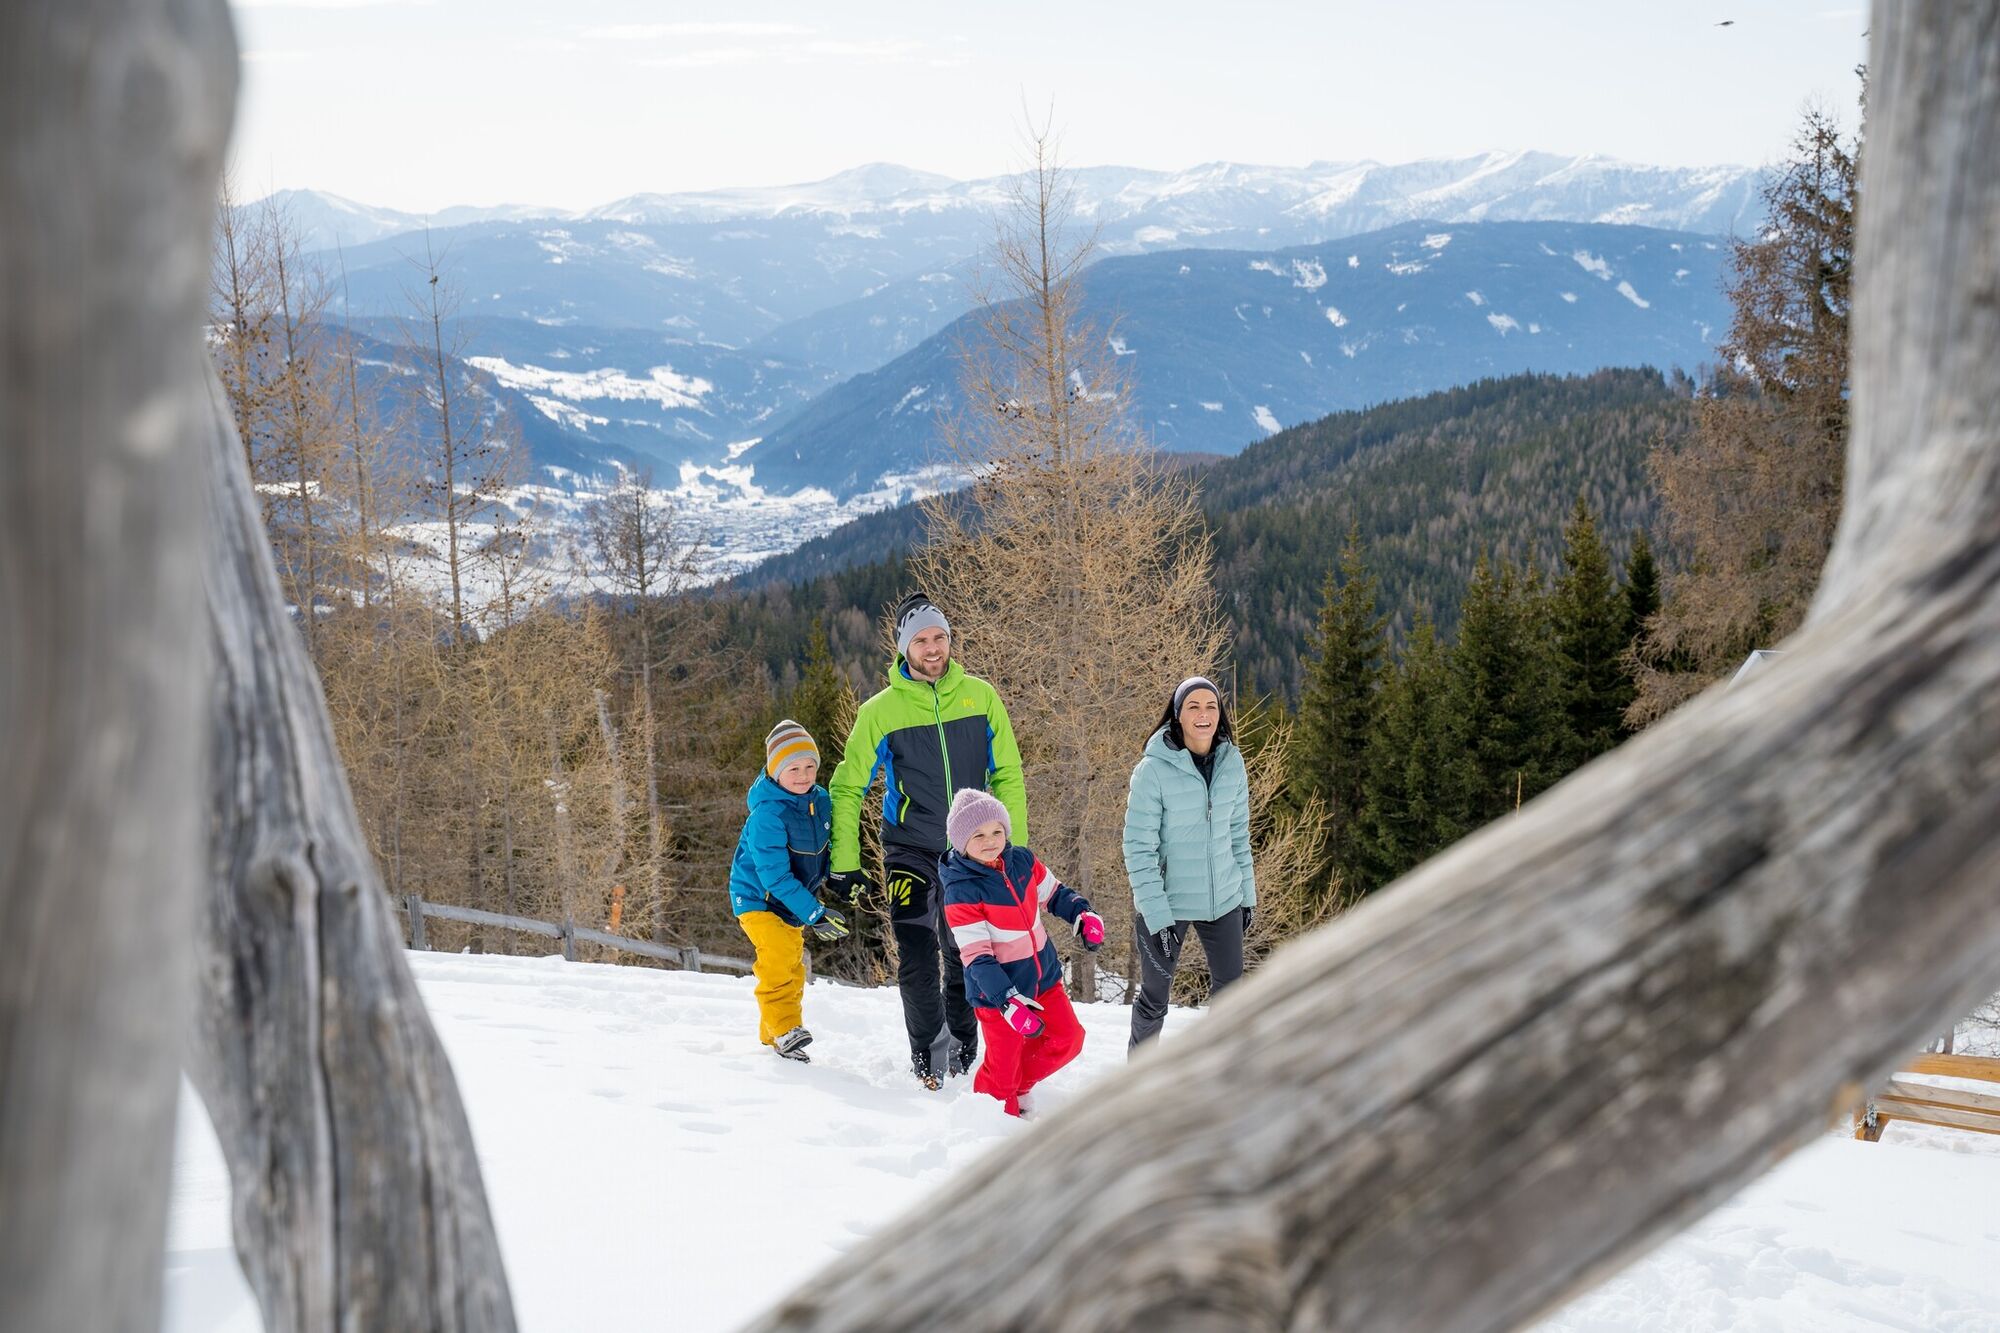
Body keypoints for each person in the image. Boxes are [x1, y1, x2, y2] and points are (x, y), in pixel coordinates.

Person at [828, 592, 1030, 1090]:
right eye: (921, 640)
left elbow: (1008, 773)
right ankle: (928, 1060)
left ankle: (963, 1051)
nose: (933, 647)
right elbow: (848, 786)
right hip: (909, 850)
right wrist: (845, 860)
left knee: (967, 954)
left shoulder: (981, 698)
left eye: (940, 637)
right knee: (917, 954)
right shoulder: (880, 712)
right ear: (904, 648)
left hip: (970, 855)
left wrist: (1014, 851)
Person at [940, 788, 1103, 1117]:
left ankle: (1018, 1087)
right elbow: (977, 957)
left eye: (996, 831)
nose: (990, 841)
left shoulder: (1023, 862)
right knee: (1002, 1074)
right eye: (978, 835)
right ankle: (985, 1120)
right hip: (998, 997)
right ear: (961, 842)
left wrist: (1082, 913)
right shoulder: (962, 890)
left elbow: (1054, 893)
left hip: (1043, 979)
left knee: (1068, 1039)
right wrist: (1007, 1000)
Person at [1122, 676, 1256, 1052]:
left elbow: (1239, 836)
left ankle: (1220, 1073)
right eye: (1193, 706)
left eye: (1211, 706)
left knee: (1232, 999)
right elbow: (1138, 848)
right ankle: (1140, 1078)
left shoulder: (1232, 763)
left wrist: (1247, 896)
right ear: (1178, 715)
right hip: (1168, 904)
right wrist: (1157, 916)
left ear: (1220, 714)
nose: (1203, 714)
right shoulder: (1152, 770)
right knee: (1154, 999)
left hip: (1224, 900)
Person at [728, 719, 850, 1063]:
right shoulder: (767, 815)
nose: (803, 775)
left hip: (793, 901)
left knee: (793, 967)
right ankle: (785, 1029)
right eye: (793, 768)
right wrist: (815, 913)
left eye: (810, 766)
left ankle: (774, 1036)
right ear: (775, 771)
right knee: (778, 959)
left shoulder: (819, 801)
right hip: (760, 899)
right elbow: (775, 877)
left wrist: (842, 875)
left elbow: (825, 848)